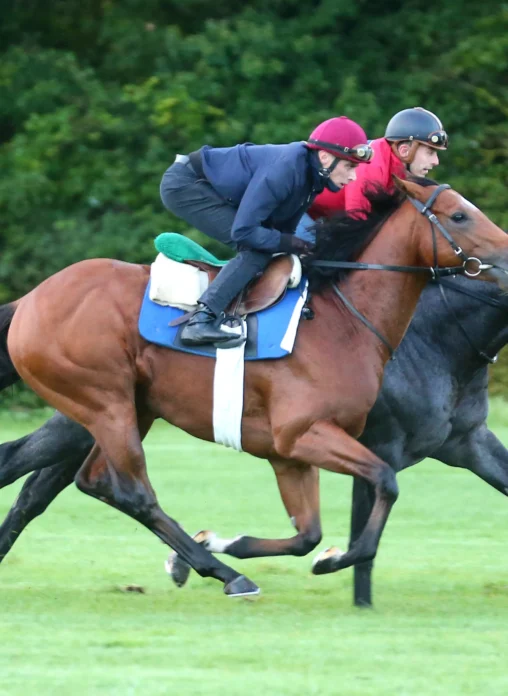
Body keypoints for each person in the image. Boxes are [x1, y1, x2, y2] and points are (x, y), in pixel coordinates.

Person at [160, 117, 372, 346]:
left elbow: (283, 233)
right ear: (325, 157)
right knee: (256, 250)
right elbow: (245, 232)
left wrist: (300, 248)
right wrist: (293, 243)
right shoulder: (286, 170)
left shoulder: (312, 176)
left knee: (271, 246)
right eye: (350, 166)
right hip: (186, 185)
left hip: (213, 186)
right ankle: (201, 321)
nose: (354, 177)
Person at [296, 107, 448, 242]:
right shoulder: (373, 166)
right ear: (404, 150)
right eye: (430, 152)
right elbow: (357, 222)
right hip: (300, 208)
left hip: (323, 215)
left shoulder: (401, 172)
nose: (436, 161)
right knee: (313, 251)